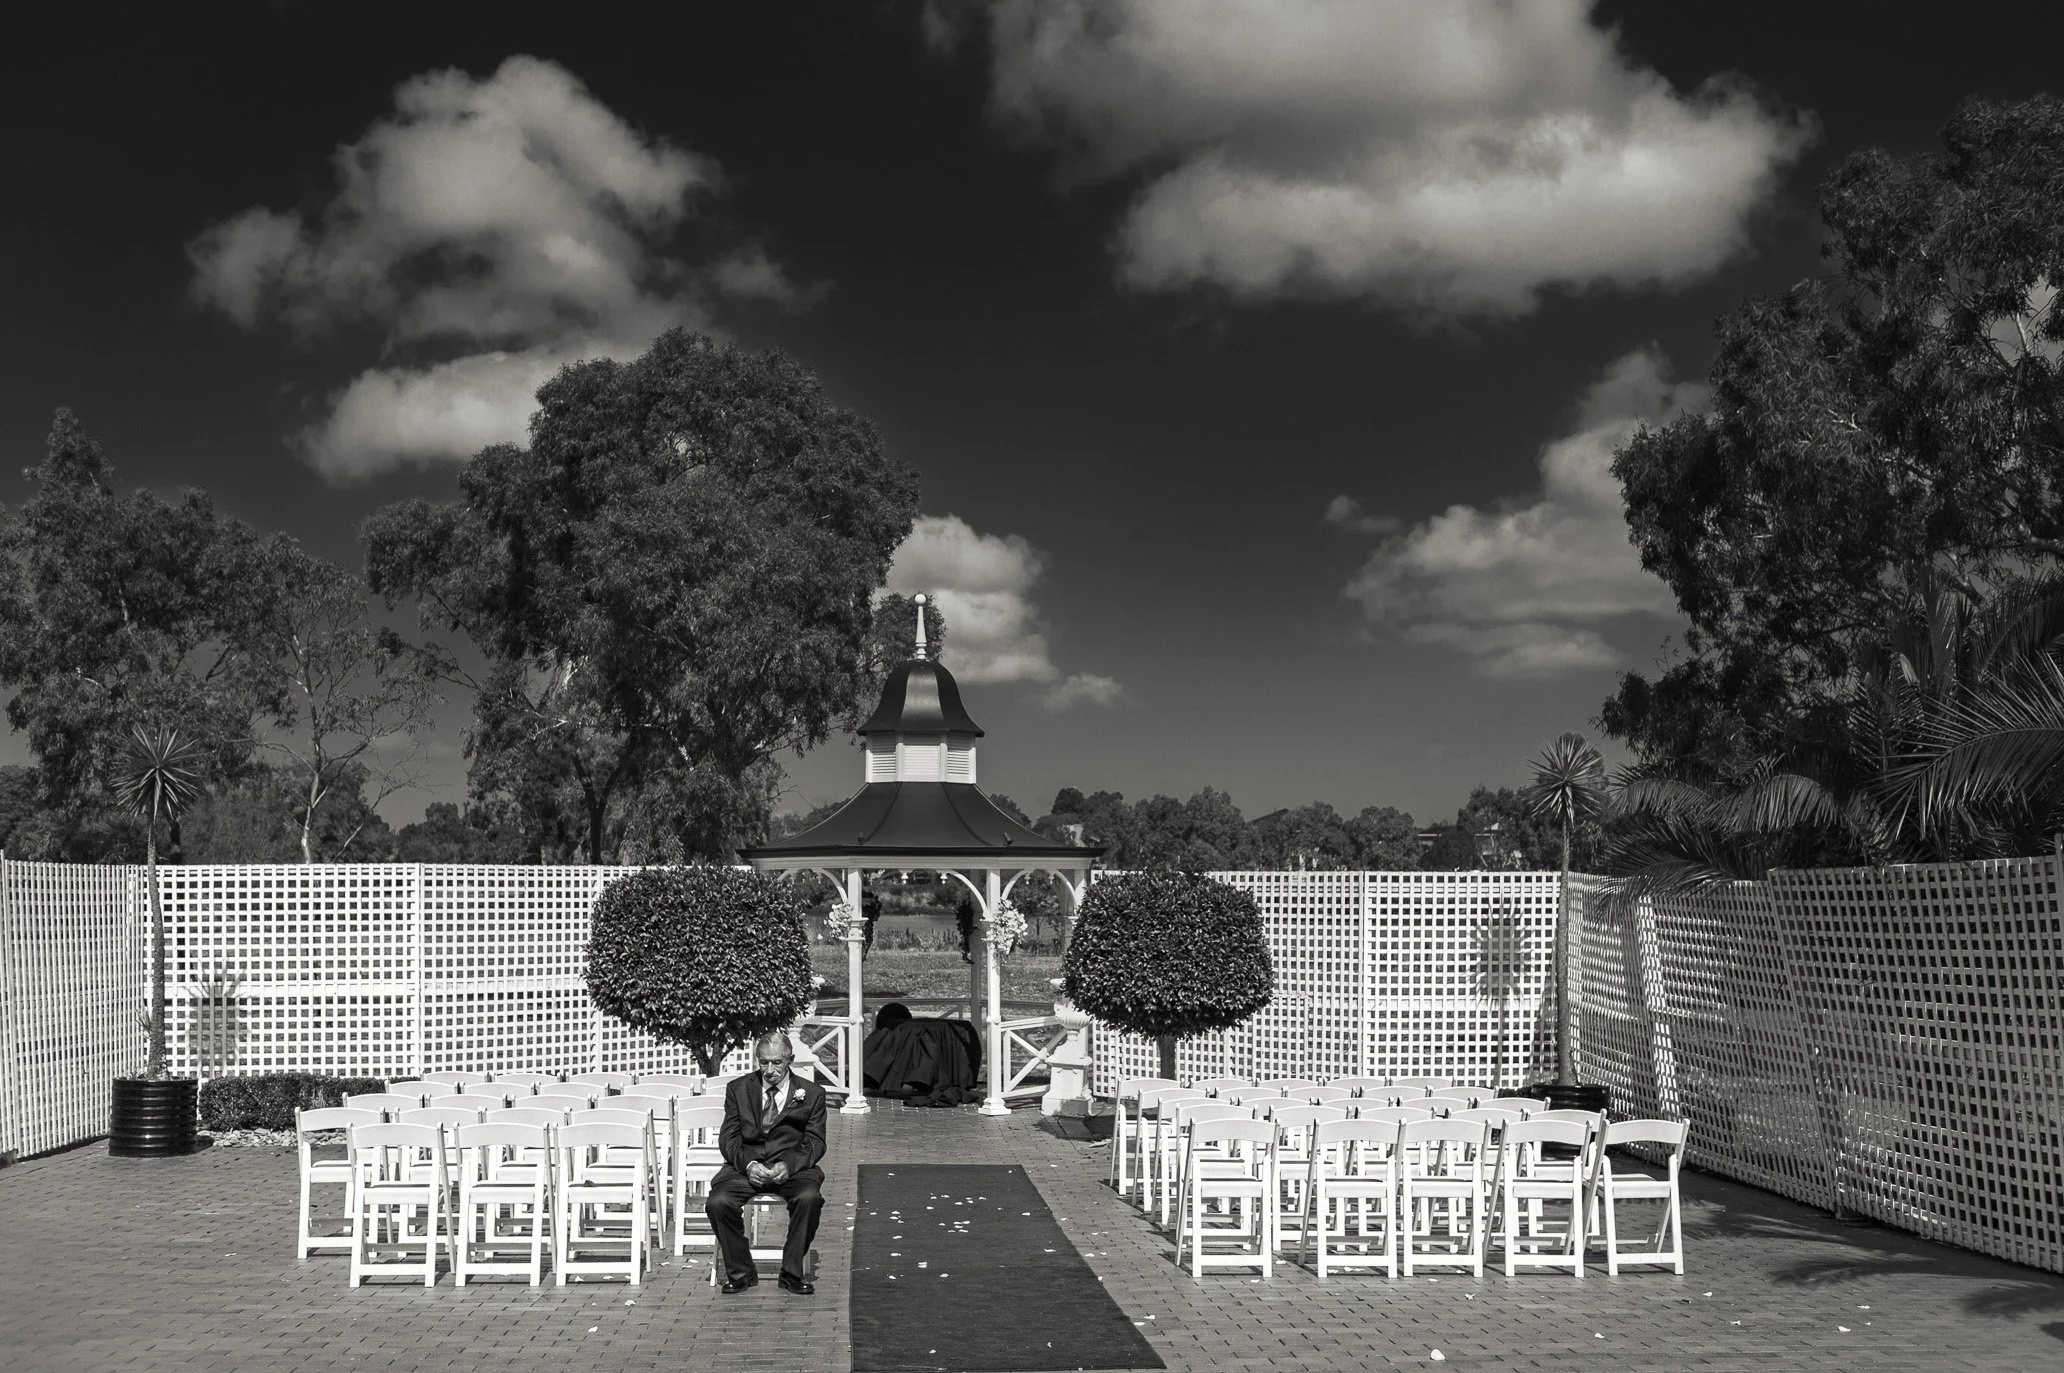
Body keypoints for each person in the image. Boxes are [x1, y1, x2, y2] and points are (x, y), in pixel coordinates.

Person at [705, 1030, 828, 1294]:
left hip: (792, 1170)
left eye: (777, 1062)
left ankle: (792, 1272)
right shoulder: (738, 1089)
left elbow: (816, 1142)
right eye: (764, 1063)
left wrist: (789, 1165)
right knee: (718, 1202)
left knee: (809, 1199)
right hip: (746, 1168)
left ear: (790, 1059)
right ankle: (741, 1271)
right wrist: (749, 1165)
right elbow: (729, 1139)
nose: (770, 1069)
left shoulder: (812, 1093)